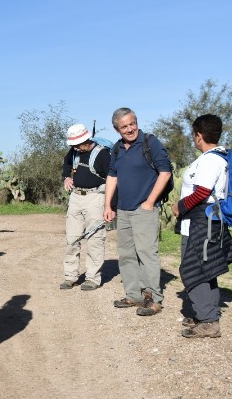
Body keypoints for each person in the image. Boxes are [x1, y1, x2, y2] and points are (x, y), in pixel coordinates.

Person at [171, 114, 232, 338]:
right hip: (209, 220)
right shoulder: (220, 157)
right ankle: (206, 314)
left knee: (193, 269)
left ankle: (209, 322)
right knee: (207, 268)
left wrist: (180, 206)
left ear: (199, 136)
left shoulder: (209, 160)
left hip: (201, 221)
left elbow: (201, 192)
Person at [103, 107, 172, 316]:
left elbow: (165, 172)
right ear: (117, 129)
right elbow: (112, 176)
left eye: (132, 123)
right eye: (124, 126)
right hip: (123, 209)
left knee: (147, 253)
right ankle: (133, 295)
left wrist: (150, 202)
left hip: (144, 209)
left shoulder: (151, 143)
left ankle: (153, 299)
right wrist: (108, 205)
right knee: (126, 255)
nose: (130, 129)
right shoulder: (116, 149)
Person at [60, 123, 109, 291]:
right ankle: (70, 276)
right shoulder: (73, 152)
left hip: (96, 198)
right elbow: (66, 164)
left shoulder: (102, 154)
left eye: (77, 144)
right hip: (75, 198)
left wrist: (110, 205)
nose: (75, 148)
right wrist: (66, 177)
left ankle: (93, 278)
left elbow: (112, 179)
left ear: (86, 139)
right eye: (73, 145)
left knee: (95, 239)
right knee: (72, 239)